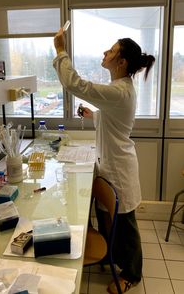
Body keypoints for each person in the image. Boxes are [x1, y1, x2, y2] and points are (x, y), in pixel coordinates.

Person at [53, 28, 155, 294]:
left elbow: (75, 84)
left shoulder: (119, 91)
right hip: (110, 164)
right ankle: (111, 258)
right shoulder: (119, 90)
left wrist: (61, 51)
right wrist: (93, 116)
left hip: (119, 168)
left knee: (125, 227)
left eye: (111, 51)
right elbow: (114, 120)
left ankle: (132, 273)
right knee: (109, 219)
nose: (105, 53)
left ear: (121, 62)